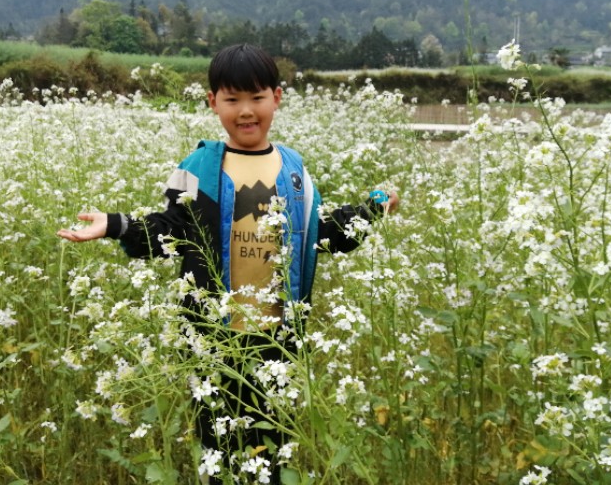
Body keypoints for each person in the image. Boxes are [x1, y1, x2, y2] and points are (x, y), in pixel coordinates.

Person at [57, 43, 399, 483]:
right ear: (212, 102)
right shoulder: (198, 167)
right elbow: (170, 229)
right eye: (232, 99)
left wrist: (371, 209)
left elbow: (317, 232)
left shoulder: (293, 168)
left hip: (277, 340)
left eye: (256, 98)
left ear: (277, 97)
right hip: (211, 341)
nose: (245, 111)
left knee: (271, 448)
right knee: (216, 445)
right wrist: (115, 225)